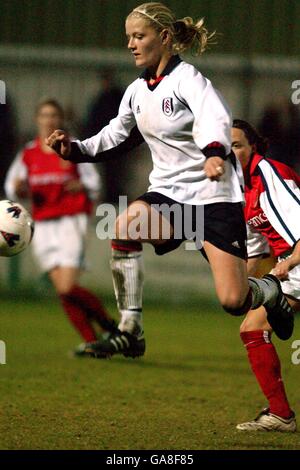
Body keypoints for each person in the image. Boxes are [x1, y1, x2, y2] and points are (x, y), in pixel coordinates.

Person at [46, 2, 293, 364]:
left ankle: (271, 291)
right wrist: (75, 149)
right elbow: (116, 136)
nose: (131, 44)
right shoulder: (136, 91)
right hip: (169, 196)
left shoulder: (188, 80)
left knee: (233, 300)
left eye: (139, 36)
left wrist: (212, 152)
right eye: (128, 37)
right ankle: (131, 330)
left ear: (164, 38)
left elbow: (216, 117)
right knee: (124, 227)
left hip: (212, 201)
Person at [5, 98, 117, 355]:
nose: (50, 120)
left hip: (71, 220)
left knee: (67, 287)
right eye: (45, 115)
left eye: (54, 115)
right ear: (38, 120)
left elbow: (94, 183)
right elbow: (12, 185)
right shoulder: (28, 154)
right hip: (42, 226)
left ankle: (110, 326)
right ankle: (93, 342)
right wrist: (18, 188)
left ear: (60, 120)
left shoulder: (71, 148)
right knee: (63, 292)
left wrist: (83, 186)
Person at [231, 119, 300, 432]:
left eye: (237, 145)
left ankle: (282, 414)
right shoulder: (242, 188)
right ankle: (281, 413)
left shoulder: (268, 173)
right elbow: (255, 249)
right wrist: (236, 283)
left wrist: (290, 260)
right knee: (252, 327)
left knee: (253, 327)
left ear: (252, 147)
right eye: (224, 147)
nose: (231, 152)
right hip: (290, 263)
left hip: (296, 260)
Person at [83, 68, 128, 202]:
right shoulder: (103, 98)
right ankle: (111, 199)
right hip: (106, 143)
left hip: (118, 144)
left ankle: (115, 200)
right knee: (109, 175)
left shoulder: (116, 98)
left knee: (117, 175)